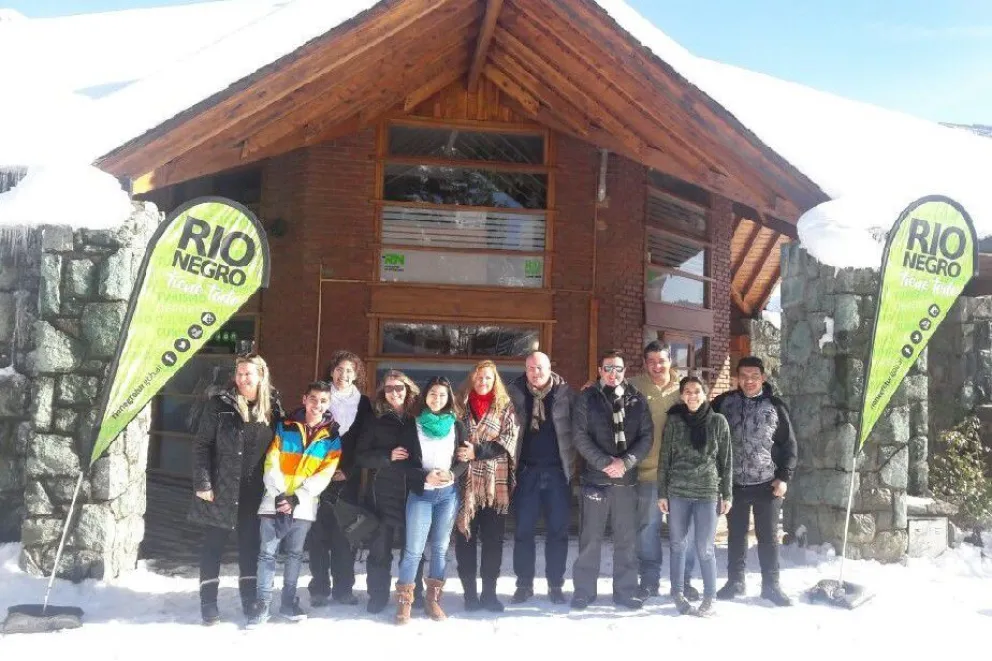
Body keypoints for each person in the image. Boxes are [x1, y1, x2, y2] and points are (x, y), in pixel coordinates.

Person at [190, 354, 282, 625]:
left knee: (250, 545)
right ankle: (208, 603)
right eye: (239, 373)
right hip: (221, 489)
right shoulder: (219, 405)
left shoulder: (273, 408)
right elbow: (201, 445)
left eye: (248, 373)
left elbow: (282, 448)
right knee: (213, 545)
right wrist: (203, 482)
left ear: (261, 376)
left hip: (255, 491)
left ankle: (248, 598)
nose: (242, 378)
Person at [247, 381, 342, 628]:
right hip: (274, 500)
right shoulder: (284, 426)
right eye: (313, 399)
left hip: (304, 504)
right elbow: (271, 461)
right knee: (267, 554)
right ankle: (262, 604)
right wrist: (280, 495)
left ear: (328, 403)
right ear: (304, 399)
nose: (317, 405)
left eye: (323, 400)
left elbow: (326, 472)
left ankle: (288, 602)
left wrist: (296, 497)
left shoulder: (331, 436)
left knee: (295, 554)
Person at [571, 349, 653, 610]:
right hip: (596, 479)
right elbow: (580, 437)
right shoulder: (587, 398)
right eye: (608, 368)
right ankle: (584, 591)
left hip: (626, 481)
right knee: (590, 539)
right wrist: (606, 463)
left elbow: (646, 437)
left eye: (618, 368)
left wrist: (625, 462)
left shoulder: (637, 400)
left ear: (624, 371)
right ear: (600, 370)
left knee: (625, 540)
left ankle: (626, 591)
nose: (613, 373)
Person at [712, 356, 797, 607]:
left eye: (754, 376)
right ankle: (735, 581)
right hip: (734, 483)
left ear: (763, 378)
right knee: (736, 535)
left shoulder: (775, 406)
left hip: (767, 483)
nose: (749, 381)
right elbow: (701, 423)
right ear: (737, 378)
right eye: (744, 376)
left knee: (768, 536)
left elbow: (789, 444)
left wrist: (784, 477)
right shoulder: (723, 403)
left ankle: (771, 586)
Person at [394, 376, 469, 624]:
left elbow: (463, 460)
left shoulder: (456, 425)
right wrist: (425, 475)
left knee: (439, 549)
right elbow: (402, 462)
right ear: (425, 396)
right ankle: (405, 602)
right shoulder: (411, 424)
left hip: (447, 496)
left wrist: (452, 473)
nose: (437, 399)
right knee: (413, 550)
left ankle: (433, 600)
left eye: (442, 395)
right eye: (433, 394)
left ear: (449, 399)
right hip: (421, 495)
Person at [658, 376, 732, 617]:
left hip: (707, 493)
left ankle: (710, 596)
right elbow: (664, 459)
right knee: (678, 545)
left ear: (705, 393)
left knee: (705, 548)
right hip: (678, 492)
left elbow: (726, 462)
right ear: (681, 395)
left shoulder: (718, 422)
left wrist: (727, 494)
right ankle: (677, 593)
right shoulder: (674, 421)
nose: (692, 395)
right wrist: (662, 493)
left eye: (697, 391)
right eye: (687, 391)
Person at [506, 351, 575, 604]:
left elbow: (580, 427)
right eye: (531, 368)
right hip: (526, 473)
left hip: (558, 473)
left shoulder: (566, 394)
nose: (536, 373)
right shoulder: (513, 392)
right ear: (526, 369)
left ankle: (555, 584)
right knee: (523, 532)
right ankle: (524, 584)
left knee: (558, 532)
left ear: (549, 368)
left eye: (540, 367)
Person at [627, 341, 693, 600]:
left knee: (683, 530)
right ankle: (650, 579)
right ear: (645, 363)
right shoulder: (633, 385)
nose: (657, 366)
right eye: (651, 361)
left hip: (680, 474)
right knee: (647, 528)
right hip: (648, 472)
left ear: (670, 361)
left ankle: (684, 581)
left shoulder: (685, 388)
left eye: (661, 360)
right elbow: (605, 389)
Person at [356, 370, 426, 614]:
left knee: (413, 547)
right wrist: (386, 457)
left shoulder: (418, 417)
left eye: (399, 387)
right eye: (389, 388)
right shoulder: (374, 419)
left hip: (413, 490)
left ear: (408, 390)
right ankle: (377, 595)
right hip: (382, 491)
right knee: (379, 548)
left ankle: (414, 593)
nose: (394, 392)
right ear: (382, 392)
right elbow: (361, 456)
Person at [309, 350, 374, 607]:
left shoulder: (364, 404)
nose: (343, 375)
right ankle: (319, 588)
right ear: (331, 371)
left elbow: (365, 442)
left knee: (345, 534)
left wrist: (349, 469)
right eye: (339, 369)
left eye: (349, 370)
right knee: (318, 534)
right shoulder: (320, 398)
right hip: (317, 475)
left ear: (356, 374)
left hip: (348, 477)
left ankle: (344, 588)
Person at [454, 360, 519, 612]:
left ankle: (489, 594)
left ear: (495, 381)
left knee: (493, 541)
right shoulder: (459, 406)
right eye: (479, 377)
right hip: (464, 484)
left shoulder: (505, 407)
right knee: (465, 538)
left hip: (495, 484)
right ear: (472, 378)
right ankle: (470, 594)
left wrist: (477, 451)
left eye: (489, 378)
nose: (483, 382)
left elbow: (508, 440)